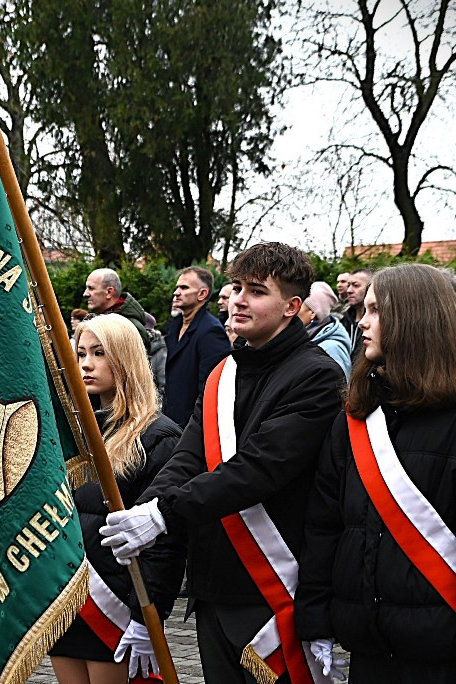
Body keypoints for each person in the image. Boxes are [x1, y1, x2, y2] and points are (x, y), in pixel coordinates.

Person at [102, 243, 345, 683]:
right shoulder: (224, 372)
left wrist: (162, 513)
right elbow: (186, 459)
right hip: (213, 585)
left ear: (292, 307)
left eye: (256, 291)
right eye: (236, 288)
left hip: (273, 589)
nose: (238, 299)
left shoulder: (318, 375)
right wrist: (146, 508)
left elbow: (258, 468)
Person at [295, 264, 456, 683]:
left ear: (414, 319)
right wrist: (316, 620)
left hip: (448, 656)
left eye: (375, 311)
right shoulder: (356, 417)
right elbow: (325, 527)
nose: (362, 322)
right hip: (369, 649)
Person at [50, 314, 184, 684]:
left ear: (125, 358)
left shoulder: (159, 437)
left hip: (117, 606)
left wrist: (147, 618)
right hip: (69, 600)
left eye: (99, 353)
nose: (86, 364)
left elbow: (166, 541)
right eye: (80, 354)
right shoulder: (72, 434)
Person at [163, 267, 231, 427]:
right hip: (169, 422)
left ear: (202, 294)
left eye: (184, 287)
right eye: (177, 287)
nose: (176, 292)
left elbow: (210, 390)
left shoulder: (211, 331)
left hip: (192, 427)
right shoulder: (175, 325)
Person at [82, 269, 151, 351]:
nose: (85, 294)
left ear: (109, 292)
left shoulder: (132, 329)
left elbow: (137, 363)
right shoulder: (93, 322)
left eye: (91, 288)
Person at [298, 281, 351, 380]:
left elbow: (339, 390)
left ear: (313, 313)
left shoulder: (331, 349)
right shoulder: (308, 337)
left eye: (299, 305)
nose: (292, 309)